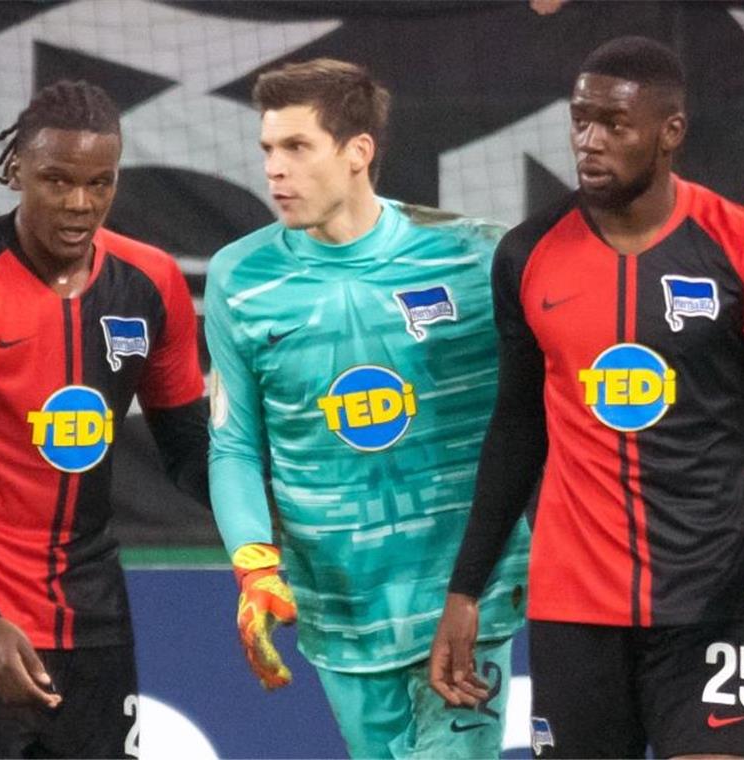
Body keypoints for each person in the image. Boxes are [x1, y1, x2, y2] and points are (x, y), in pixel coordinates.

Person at [429, 36, 744, 760]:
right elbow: (517, 429)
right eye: (579, 120)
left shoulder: (741, 244)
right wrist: (466, 589)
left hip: (713, 595)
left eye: (614, 125)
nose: (588, 142)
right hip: (572, 605)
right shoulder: (528, 256)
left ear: (669, 133)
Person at [203, 58, 532, 759]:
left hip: (465, 601)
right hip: (341, 612)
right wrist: (255, 567)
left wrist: (741, 247)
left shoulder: (475, 256)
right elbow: (233, 445)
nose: (275, 171)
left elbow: (611, 280)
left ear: (358, 152)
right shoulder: (241, 277)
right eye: (268, 149)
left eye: (297, 148)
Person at [0, 80, 209, 759]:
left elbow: (188, 449)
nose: (79, 204)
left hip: (93, 626)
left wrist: (274, 512)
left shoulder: (150, 283)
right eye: (56, 180)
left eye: (100, 183)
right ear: (16, 171)